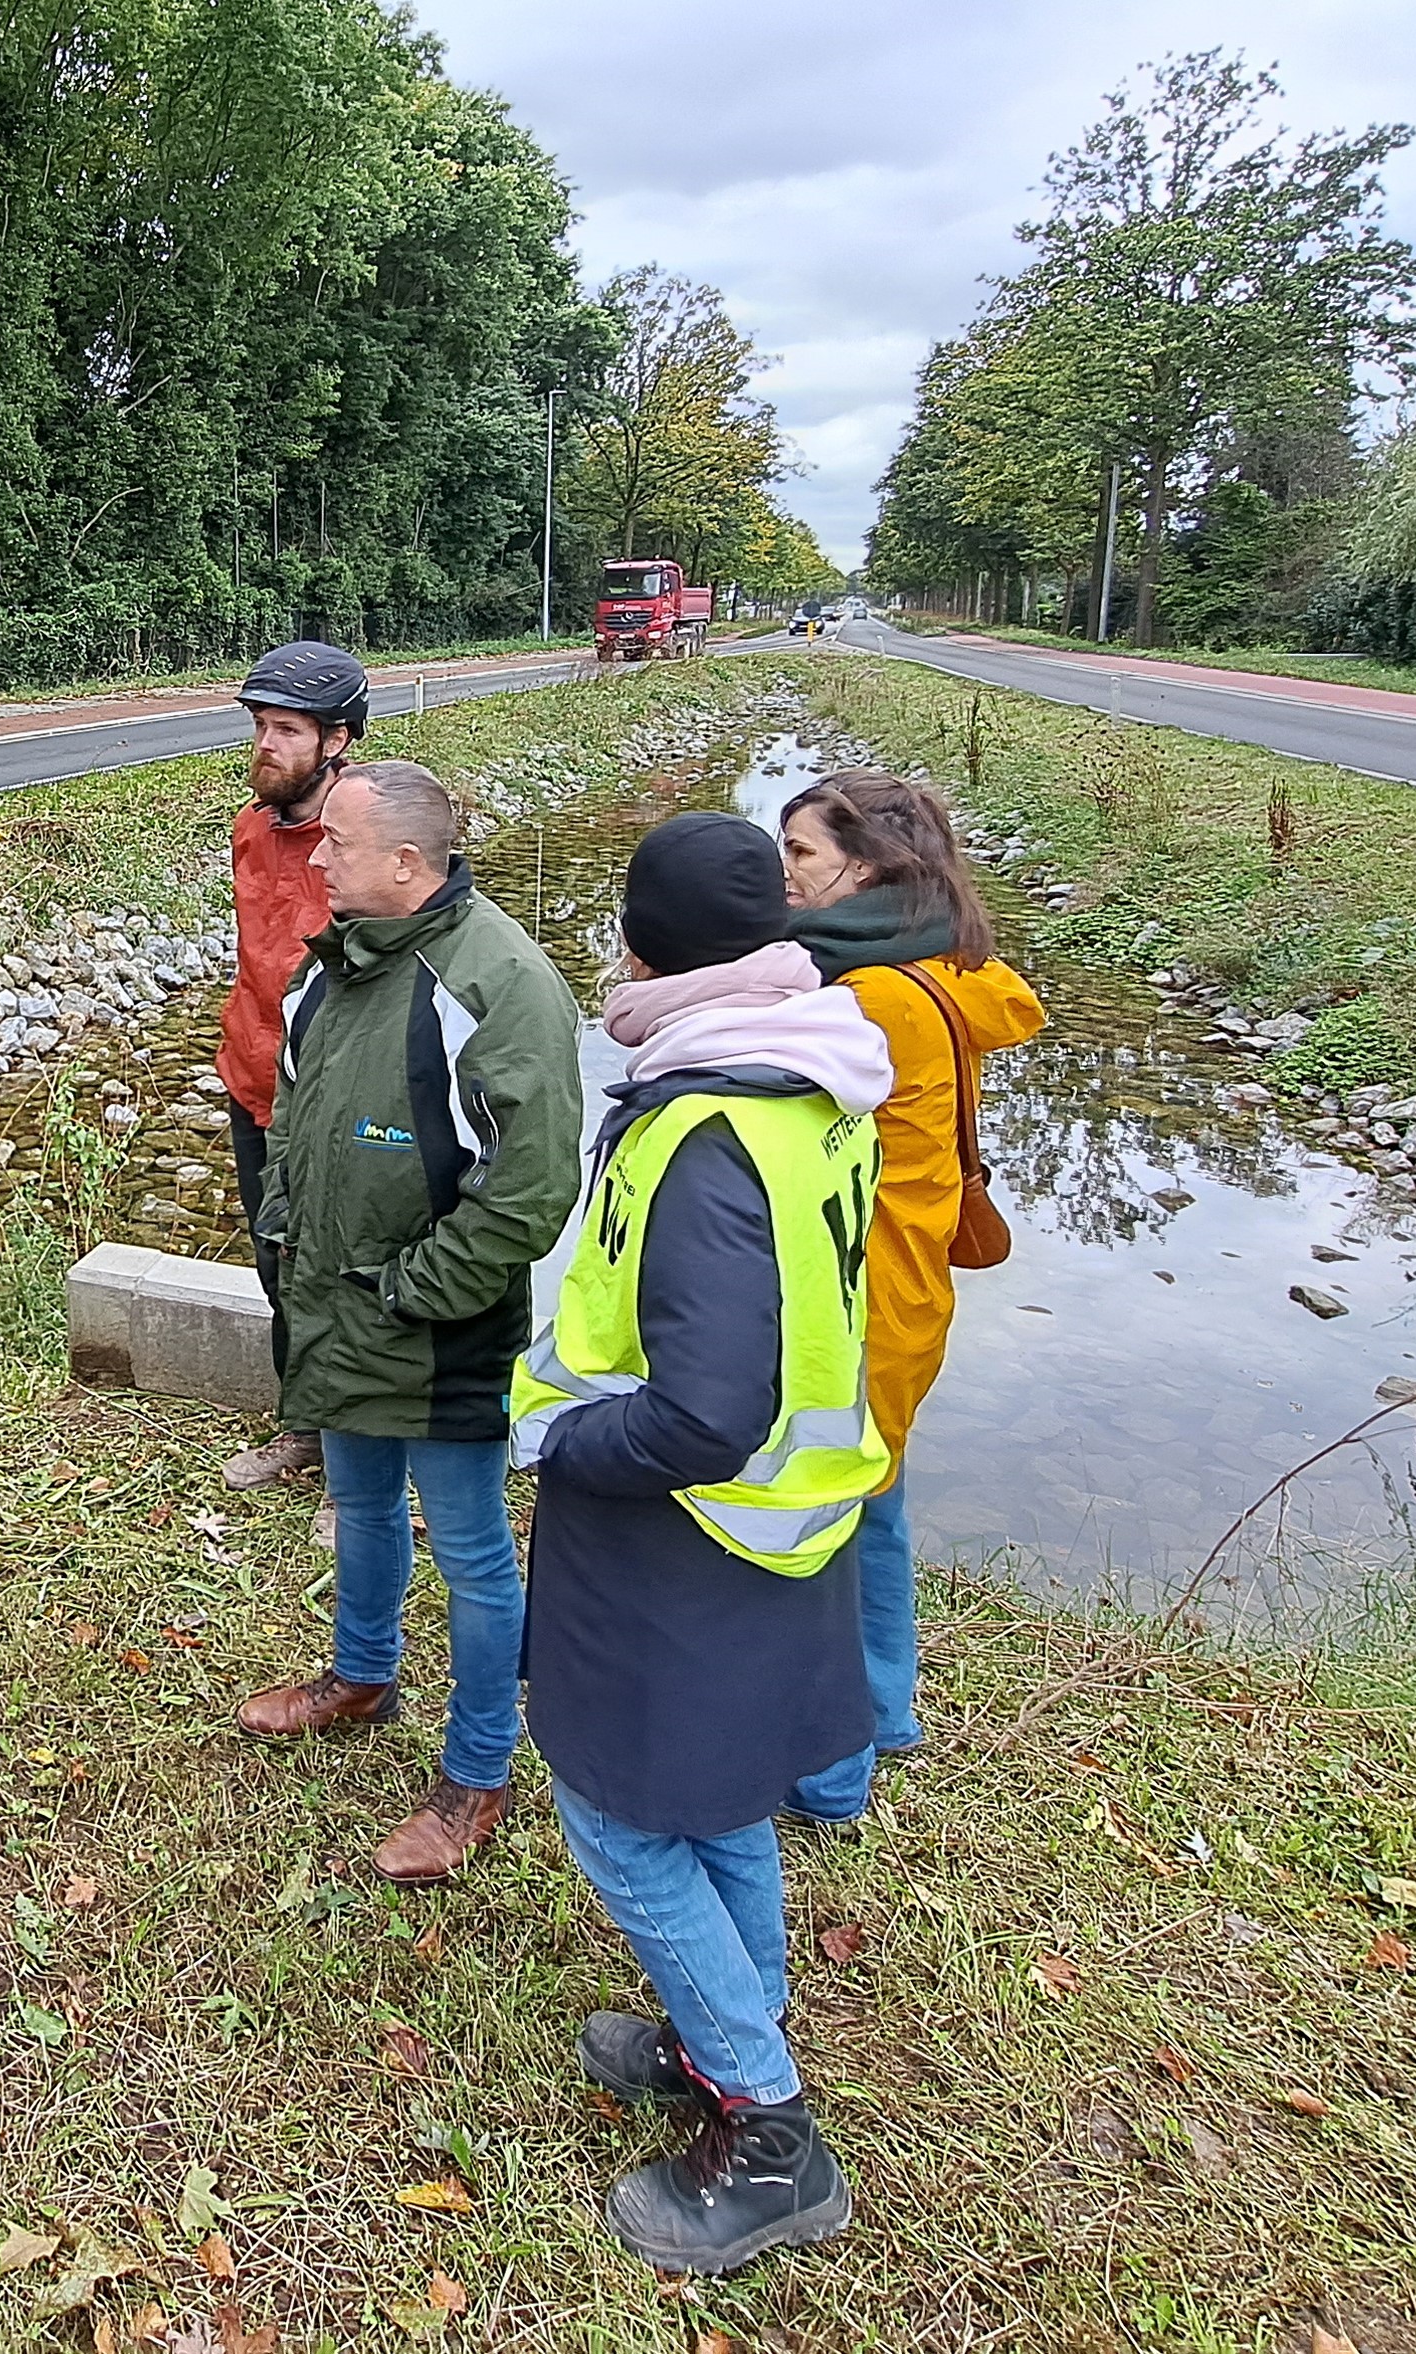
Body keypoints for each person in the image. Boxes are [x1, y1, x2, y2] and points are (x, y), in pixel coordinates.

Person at [511, 811, 895, 2274]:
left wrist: (563, 1444)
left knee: (615, 1809)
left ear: (645, 946)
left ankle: (768, 2125)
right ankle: (720, 2027)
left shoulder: (700, 1124)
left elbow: (707, 1406)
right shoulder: (807, 1081)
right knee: (719, 1787)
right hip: (781, 1527)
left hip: (678, 1528)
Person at [232, 760, 581, 1884]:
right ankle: (360, 1673)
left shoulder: (500, 982)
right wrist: (292, 1241)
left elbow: (528, 1190)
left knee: (474, 1550)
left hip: (435, 1327)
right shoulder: (335, 965)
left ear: (406, 863)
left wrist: (412, 1289)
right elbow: (296, 1119)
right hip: (339, 1305)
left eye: (335, 841)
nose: (315, 856)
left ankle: (477, 1770)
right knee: (365, 1502)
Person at [774, 772, 1044, 1825]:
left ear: (869, 866)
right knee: (873, 1510)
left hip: (851, 1306)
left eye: (799, 851)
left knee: (821, 1534)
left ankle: (832, 1768)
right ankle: (886, 1709)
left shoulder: (868, 998)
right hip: (905, 1295)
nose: (781, 870)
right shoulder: (941, 970)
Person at [214, 640, 365, 1494]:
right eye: (259, 726)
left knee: (345, 1278)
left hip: (338, 1105)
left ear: (336, 740)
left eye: (285, 729)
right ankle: (302, 1426)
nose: (264, 744)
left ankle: (361, 1473)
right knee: (278, 1266)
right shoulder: (250, 826)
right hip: (255, 1083)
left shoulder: (368, 841)